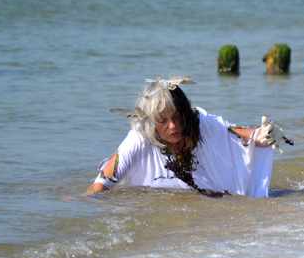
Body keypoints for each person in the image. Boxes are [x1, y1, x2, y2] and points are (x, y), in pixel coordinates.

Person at [86, 77, 281, 198]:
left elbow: (237, 132)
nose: (173, 126)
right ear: (151, 121)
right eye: (163, 120)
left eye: (178, 117)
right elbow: (101, 184)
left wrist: (262, 134)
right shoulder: (139, 137)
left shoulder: (199, 123)